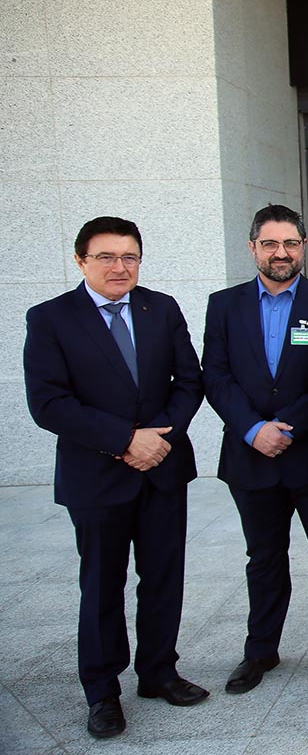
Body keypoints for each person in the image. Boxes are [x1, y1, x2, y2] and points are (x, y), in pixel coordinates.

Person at [23, 217, 207, 739]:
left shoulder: (160, 308)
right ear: (80, 260)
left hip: (163, 469)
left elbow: (188, 381)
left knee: (164, 577)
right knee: (102, 584)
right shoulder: (51, 318)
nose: (119, 266)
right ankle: (102, 691)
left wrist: (160, 439)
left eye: (129, 256)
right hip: (97, 476)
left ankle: (158, 672)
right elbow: (49, 403)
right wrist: (127, 439)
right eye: (106, 257)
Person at [202, 205, 308, 695]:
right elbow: (215, 375)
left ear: (303, 247)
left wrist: (289, 426)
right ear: (253, 247)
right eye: (271, 244)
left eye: (291, 244)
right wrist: (253, 428)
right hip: (249, 456)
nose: (281, 253)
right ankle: (260, 651)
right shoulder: (224, 305)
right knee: (264, 558)